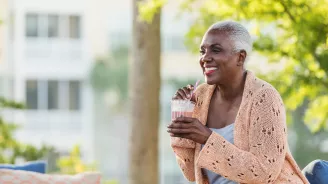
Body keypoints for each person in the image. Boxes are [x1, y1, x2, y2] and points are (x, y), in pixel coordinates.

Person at [167, 20, 309, 184]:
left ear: (240, 57)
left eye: (216, 50)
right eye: (202, 51)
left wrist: (207, 138)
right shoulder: (200, 97)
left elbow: (264, 172)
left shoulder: (264, 97)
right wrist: (181, 125)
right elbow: (191, 173)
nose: (205, 58)